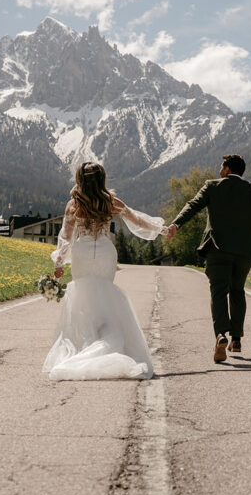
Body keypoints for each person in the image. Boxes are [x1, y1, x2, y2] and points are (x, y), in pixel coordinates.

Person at [43, 161, 167, 380]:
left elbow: (66, 236)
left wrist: (59, 263)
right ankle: (106, 342)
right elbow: (136, 219)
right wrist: (162, 229)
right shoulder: (111, 202)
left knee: (84, 300)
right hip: (105, 253)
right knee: (104, 297)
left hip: (81, 253)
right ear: (102, 179)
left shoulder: (73, 204)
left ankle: (86, 345)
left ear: (80, 179)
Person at [166, 154, 251, 363]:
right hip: (244, 253)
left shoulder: (212, 186)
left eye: (221, 166)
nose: (219, 170)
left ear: (226, 169)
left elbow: (193, 205)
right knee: (237, 291)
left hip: (217, 250)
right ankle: (236, 339)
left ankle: (221, 335)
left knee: (218, 292)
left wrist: (176, 224)